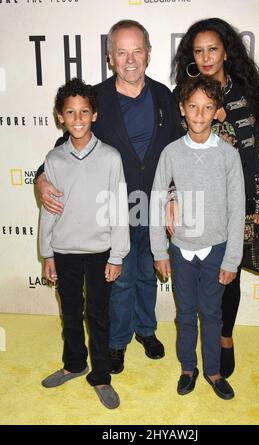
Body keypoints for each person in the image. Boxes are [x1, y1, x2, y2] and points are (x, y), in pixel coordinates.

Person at [35, 20, 183, 374]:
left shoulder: (165, 95)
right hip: (112, 209)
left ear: (148, 54)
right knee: (118, 278)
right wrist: (41, 177)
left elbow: (180, 149)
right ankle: (117, 341)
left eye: (137, 51)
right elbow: (65, 144)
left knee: (148, 274)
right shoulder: (96, 98)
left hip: (154, 205)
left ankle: (145, 330)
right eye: (121, 52)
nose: (130, 59)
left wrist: (176, 195)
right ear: (110, 57)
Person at [169, 17, 259, 378]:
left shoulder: (246, 95)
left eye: (213, 49)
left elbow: (258, 150)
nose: (206, 57)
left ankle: (224, 337)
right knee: (196, 281)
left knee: (229, 276)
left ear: (226, 51)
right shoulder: (184, 96)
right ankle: (194, 352)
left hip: (240, 201)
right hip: (197, 206)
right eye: (198, 51)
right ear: (191, 56)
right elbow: (171, 153)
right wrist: (170, 196)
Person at [150, 76, 245, 399]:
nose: (200, 114)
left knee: (213, 314)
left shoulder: (228, 155)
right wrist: (159, 251)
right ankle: (188, 368)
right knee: (186, 313)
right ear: (182, 109)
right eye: (193, 107)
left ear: (217, 110)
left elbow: (237, 209)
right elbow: (157, 200)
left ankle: (214, 372)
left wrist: (232, 258)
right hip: (180, 251)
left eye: (207, 107)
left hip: (216, 249)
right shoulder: (171, 153)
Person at [39, 78, 130, 409]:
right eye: (70, 112)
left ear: (95, 114)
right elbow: (49, 209)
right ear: (60, 117)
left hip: (99, 252)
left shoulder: (110, 158)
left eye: (84, 112)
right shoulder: (53, 160)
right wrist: (46, 252)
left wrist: (117, 255)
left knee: (99, 315)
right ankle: (74, 364)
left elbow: (119, 208)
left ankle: (101, 375)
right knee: (71, 312)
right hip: (64, 252)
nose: (77, 118)